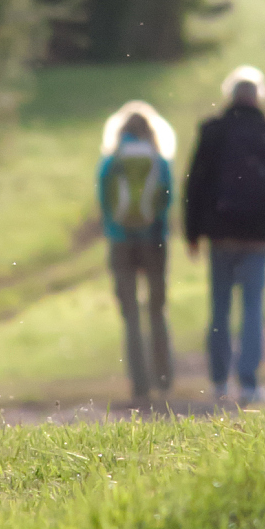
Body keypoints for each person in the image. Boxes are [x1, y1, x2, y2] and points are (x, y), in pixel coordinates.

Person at [182, 65, 265, 406]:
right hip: (258, 236)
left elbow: (195, 185)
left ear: (229, 96)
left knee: (219, 308)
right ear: (259, 97)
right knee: (253, 308)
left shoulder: (213, 131)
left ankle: (220, 383)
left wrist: (192, 232)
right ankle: (249, 384)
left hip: (220, 235)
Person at [97, 100, 177, 409]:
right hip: (154, 240)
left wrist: (116, 228)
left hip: (120, 243)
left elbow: (104, 199)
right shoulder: (158, 159)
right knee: (156, 310)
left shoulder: (112, 160)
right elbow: (166, 199)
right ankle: (164, 378)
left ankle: (139, 384)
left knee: (130, 314)